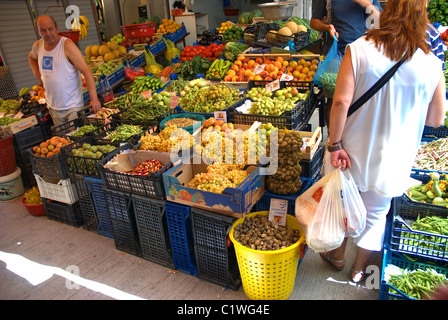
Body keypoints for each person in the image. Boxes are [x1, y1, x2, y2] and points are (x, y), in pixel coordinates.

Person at [321, 0, 446, 283]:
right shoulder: (430, 62)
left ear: (385, 12)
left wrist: (334, 145)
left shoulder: (359, 49)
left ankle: (337, 256)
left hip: (350, 150)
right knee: (376, 216)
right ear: (421, 18)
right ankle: (358, 270)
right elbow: (437, 119)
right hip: (395, 156)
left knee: (343, 206)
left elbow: (340, 101)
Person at [310, 0, 382, 130]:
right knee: (334, 100)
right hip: (336, 52)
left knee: (360, 99)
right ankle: (333, 140)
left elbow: (378, 23)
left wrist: (366, 4)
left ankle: (354, 137)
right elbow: (314, 21)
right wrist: (327, 27)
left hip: (362, 54)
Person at [28, 15, 101, 127]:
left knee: (76, 138)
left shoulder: (67, 45)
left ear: (56, 28)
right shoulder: (38, 46)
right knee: (63, 139)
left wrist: (94, 99)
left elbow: (86, 71)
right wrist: (38, 75)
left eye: (50, 29)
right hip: (53, 107)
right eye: (43, 30)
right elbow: (31, 57)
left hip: (72, 107)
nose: (48, 33)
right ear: (37, 31)